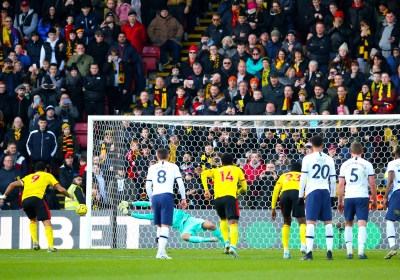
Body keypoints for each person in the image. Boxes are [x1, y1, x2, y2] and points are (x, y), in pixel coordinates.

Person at [0, 161, 73, 252]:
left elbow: (12, 184)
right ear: (45, 169)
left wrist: (4, 196)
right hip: (37, 198)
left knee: (32, 220)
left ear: (35, 170)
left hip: (25, 201)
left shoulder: (28, 177)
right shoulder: (47, 175)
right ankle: (50, 246)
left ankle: (35, 242)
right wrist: (69, 195)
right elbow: (60, 189)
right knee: (47, 222)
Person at [201, 153, 247, 258]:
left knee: (222, 220)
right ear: (233, 162)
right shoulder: (237, 170)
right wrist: (237, 191)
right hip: (230, 198)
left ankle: (226, 242)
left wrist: (206, 190)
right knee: (233, 223)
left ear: (222, 162)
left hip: (218, 199)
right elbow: (245, 188)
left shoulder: (217, 170)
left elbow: (203, 174)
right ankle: (233, 247)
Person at [298, 135, 336, 260]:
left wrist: (300, 195)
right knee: (328, 222)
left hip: (312, 192)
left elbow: (303, 177)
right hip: (325, 191)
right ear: (323, 145)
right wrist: (332, 195)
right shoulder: (329, 159)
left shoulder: (307, 158)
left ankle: (309, 253)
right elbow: (333, 179)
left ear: (311, 145)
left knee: (310, 222)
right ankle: (329, 252)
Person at [144, 148, 187, 259]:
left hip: (156, 196)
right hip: (167, 196)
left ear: (157, 156)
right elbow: (180, 183)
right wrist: (183, 198)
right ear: (168, 156)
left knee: (159, 225)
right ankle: (160, 253)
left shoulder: (152, 168)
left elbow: (148, 186)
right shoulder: (173, 166)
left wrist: (151, 200)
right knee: (165, 225)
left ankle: (162, 252)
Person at [337, 142, 377, 260]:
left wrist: (340, 201)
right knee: (362, 224)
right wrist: (374, 200)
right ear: (362, 152)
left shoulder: (345, 164)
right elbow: (373, 184)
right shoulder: (367, 164)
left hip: (349, 196)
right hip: (362, 196)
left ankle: (349, 253)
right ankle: (360, 252)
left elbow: (341, 185)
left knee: (348, 224)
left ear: (350, 152)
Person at [119, 200, 225, 244]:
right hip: (183, 228)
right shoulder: (157, 216)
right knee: (184, 237)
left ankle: (225, 244)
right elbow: (143, 216)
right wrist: (130, 213)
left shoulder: (166, 206)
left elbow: (146, 203)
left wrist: (130, 203)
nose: (152, 207)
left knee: (211, 225)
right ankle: (210, 240)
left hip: (190, 220)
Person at [271, 162, 306, 259]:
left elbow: (275, 190)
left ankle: (286, 252)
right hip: (297, 194)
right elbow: (307, 189)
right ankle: (303, 244)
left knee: (286, 222)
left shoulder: (283, 176)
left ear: (290, 169)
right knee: (302, 221)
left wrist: (273, 207)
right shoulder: (303, 175)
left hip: (284, 195)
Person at [383, 146, 400, 259]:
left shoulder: (393, 163)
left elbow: (389, 181)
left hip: (398, 194)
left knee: (390, 220)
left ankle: (393, 246)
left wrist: (385, 197)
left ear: (396, 154)